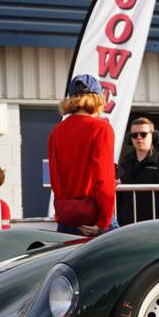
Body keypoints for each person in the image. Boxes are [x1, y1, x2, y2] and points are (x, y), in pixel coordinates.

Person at [48, 74, 116, 236]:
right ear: (97, 98)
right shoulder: (101, 128)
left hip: (67, 216)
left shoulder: (57, 131)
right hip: (93, 217)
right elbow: (103, 179)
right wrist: (104, 222)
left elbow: (55, 178)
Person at [117, 117, 159, 224]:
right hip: (127, 228)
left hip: (156, 228)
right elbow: (118, 199)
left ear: (154, 136)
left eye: (143, 134)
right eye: (134, 135)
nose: (138, 138)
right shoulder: (123, 164)